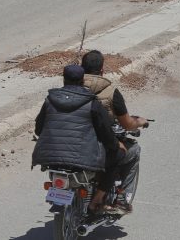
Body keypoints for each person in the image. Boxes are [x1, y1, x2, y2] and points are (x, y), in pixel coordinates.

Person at [32, 64, 122, 217]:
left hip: (51, 160)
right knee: (118, 155)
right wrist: (115, 145)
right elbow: (106, 134)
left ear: (63, 79)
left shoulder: (50, 100)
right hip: (82, 161)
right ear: (82, 81)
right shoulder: (92, 103)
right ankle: (96, 202)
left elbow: (38, 129)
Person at [82, 50, 149, 214]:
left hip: (72, 143)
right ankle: (120, 198)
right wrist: (140, 121)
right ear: (102, 70)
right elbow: (127, 124)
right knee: (132, 151)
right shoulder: (111, 92)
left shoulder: (70, 89)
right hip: (98, 146)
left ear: (81, 69)